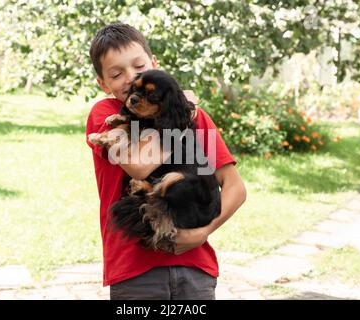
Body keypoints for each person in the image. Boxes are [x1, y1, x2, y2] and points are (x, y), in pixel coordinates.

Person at [86, 22, 246, 300]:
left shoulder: (198, 117)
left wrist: (204, 232)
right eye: (116, 73)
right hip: (135, 270)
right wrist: (181, 120)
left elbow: (235, 187)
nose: (129, 78)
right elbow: (138, 166)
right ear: (103, 84)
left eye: (138, 66)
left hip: (195, 265)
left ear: (154, 64)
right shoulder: (105, 115)